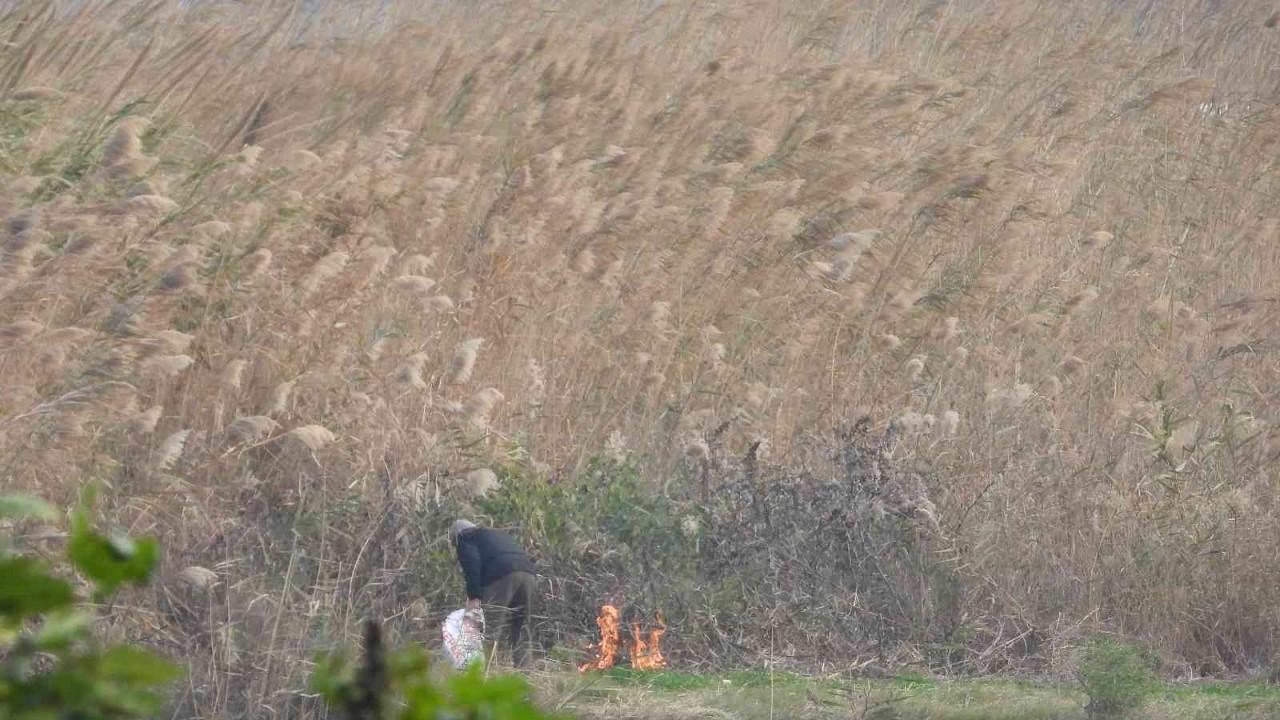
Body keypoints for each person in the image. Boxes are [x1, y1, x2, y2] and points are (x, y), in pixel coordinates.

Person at [449, 519, 537, 667]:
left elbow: (472, 565)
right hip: (529, 574)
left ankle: (485, 674)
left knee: (489, 629)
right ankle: (526, 673)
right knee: (521, 628)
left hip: (503, 575)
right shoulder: (496, 535)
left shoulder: (465, 537)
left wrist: (474, 597)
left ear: (456, 536)